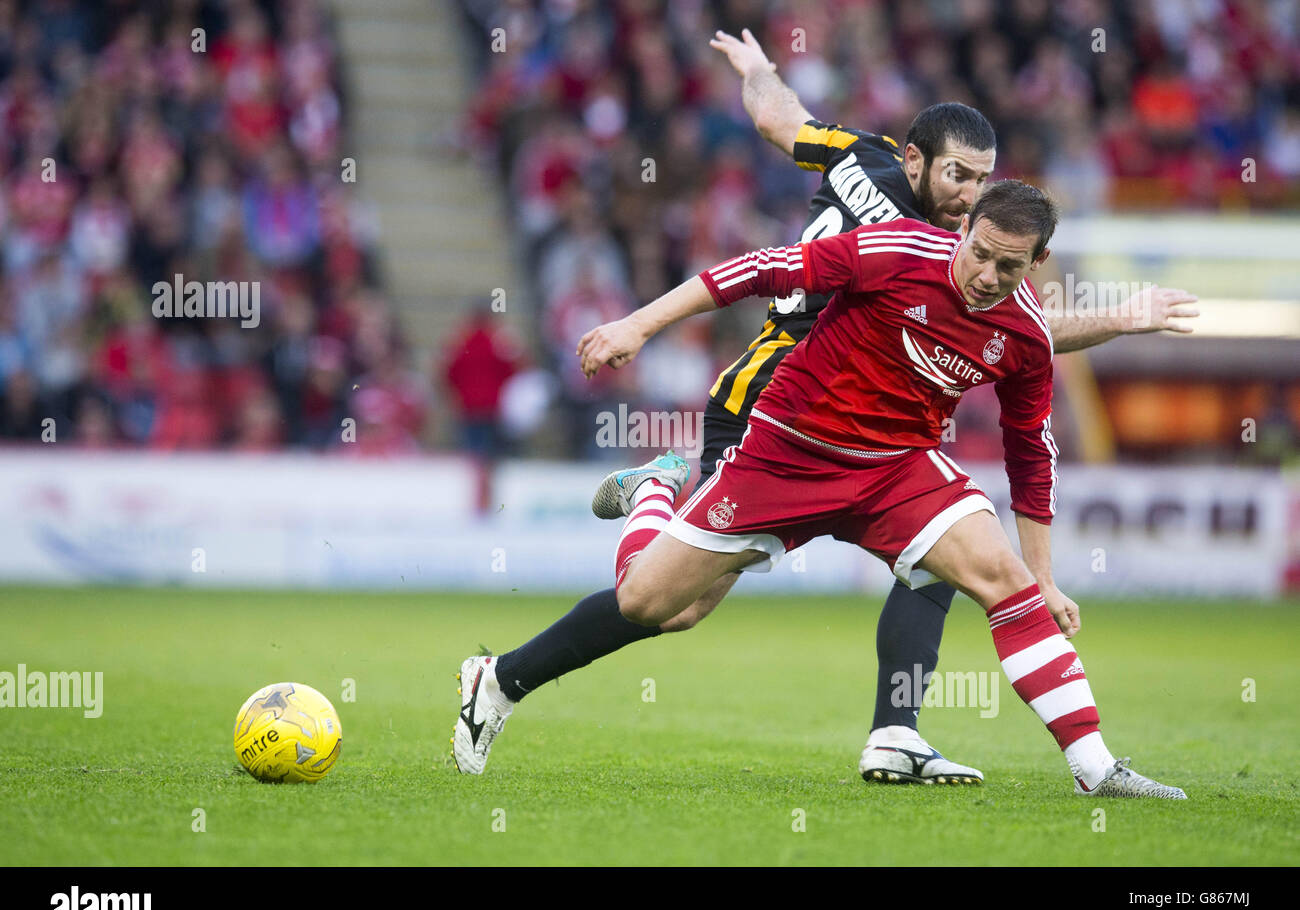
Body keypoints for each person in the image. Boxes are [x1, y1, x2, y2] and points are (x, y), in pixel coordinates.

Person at [455, 30, 1197, 785]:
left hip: (888, 442)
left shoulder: (874, 167)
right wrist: (1115, 317)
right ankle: (654, 495)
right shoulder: (915, 247)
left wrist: (758, 70)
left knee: (948, 564)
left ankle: (906, 738)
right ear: (914, 160)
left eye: (984, 179)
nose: (973, 193)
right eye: (960, 176)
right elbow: (765, 265)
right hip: (775, 401)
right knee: (666, 607)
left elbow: (782, 119)